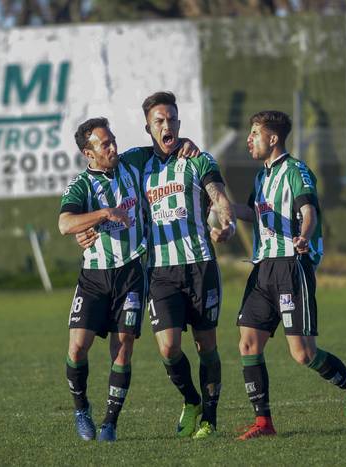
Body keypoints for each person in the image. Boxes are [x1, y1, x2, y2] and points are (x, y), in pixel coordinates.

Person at [76, 91, 234, 439]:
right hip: (160, 270)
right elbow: (97, 177)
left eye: (173, 119)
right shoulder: (135, 162)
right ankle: (192, 400)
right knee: (168, 348)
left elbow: (218, 196)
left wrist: (226, 222)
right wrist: (84, 229)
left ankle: (209, 417)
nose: (168, 125)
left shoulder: (198, 158)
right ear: (148, 127)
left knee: (206, 345)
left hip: (200, 265)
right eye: (159, 121)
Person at [232, 110, 346, 440]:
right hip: (263, 268)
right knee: (247, 343)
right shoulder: (262, 177)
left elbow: (308, 210)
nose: (249, 139)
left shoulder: (296, 171)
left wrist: (305, 236)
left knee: (303, 353)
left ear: (273, 138)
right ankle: (263, 423)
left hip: (290, 265)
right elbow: (251, 214)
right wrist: (218, 207)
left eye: (255, 133)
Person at [59, 118, 149, 442]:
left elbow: (165, 150)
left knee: (122, 349)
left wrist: (186, 146)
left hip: (131, 273)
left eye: (112, 140)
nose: (113, 147)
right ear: (89, 153)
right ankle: (81, 408)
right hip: (94, 278)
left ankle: (110, 424)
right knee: (77, 347)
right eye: (104, 144)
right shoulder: (81, 186)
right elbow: (65, 223)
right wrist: (103, 214)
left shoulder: (133, 164)